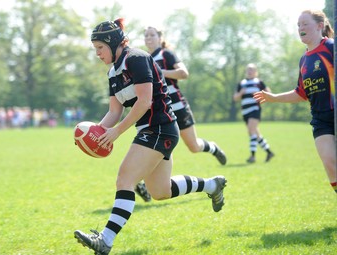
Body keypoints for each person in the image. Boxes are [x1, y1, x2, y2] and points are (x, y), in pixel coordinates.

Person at [74, 18, 227, 255]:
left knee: (125, 179)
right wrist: (94, 132)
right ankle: (212, 185)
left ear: (114, 44)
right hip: (152, 131)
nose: (97, 53)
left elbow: (145, 102)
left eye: (100, 48)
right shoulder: (113, 72)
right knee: (160, 191)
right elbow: (114, 111)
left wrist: (116, 132)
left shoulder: (136, 59)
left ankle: (105, 240)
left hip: (159, 128)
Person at [133, 26, 228, 202]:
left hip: (177, 106)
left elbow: (183, 73)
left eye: (152, 35)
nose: (148, 38)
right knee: (161, 146)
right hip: (161, 112)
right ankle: (142, 182)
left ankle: (213, 147)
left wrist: (159, 72)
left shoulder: (166, 54)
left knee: (194, 146)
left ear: (160, 37)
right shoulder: (144, 59)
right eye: (146, 35)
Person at [253, 10, 336, 194]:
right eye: (298, 25)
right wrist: (273, 98)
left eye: (305, 23)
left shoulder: (331, 47)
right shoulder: (304, 60)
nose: (300, 28)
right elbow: (301, 93)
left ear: (319, 26)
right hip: (321, 120)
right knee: (331, 164)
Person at [233, 63, 275, 163]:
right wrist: (240, 93)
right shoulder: (241, 83)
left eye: (251, 69)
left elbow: (269, 93)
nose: (249, 71)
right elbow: (235, 98)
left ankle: (252, 156)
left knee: (251, 131)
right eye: (248, 69)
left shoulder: (259, 82)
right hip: (245, 111)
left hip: (255, 109)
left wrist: (262, 98)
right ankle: (269, 152)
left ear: (256, 72)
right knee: (255, 133)